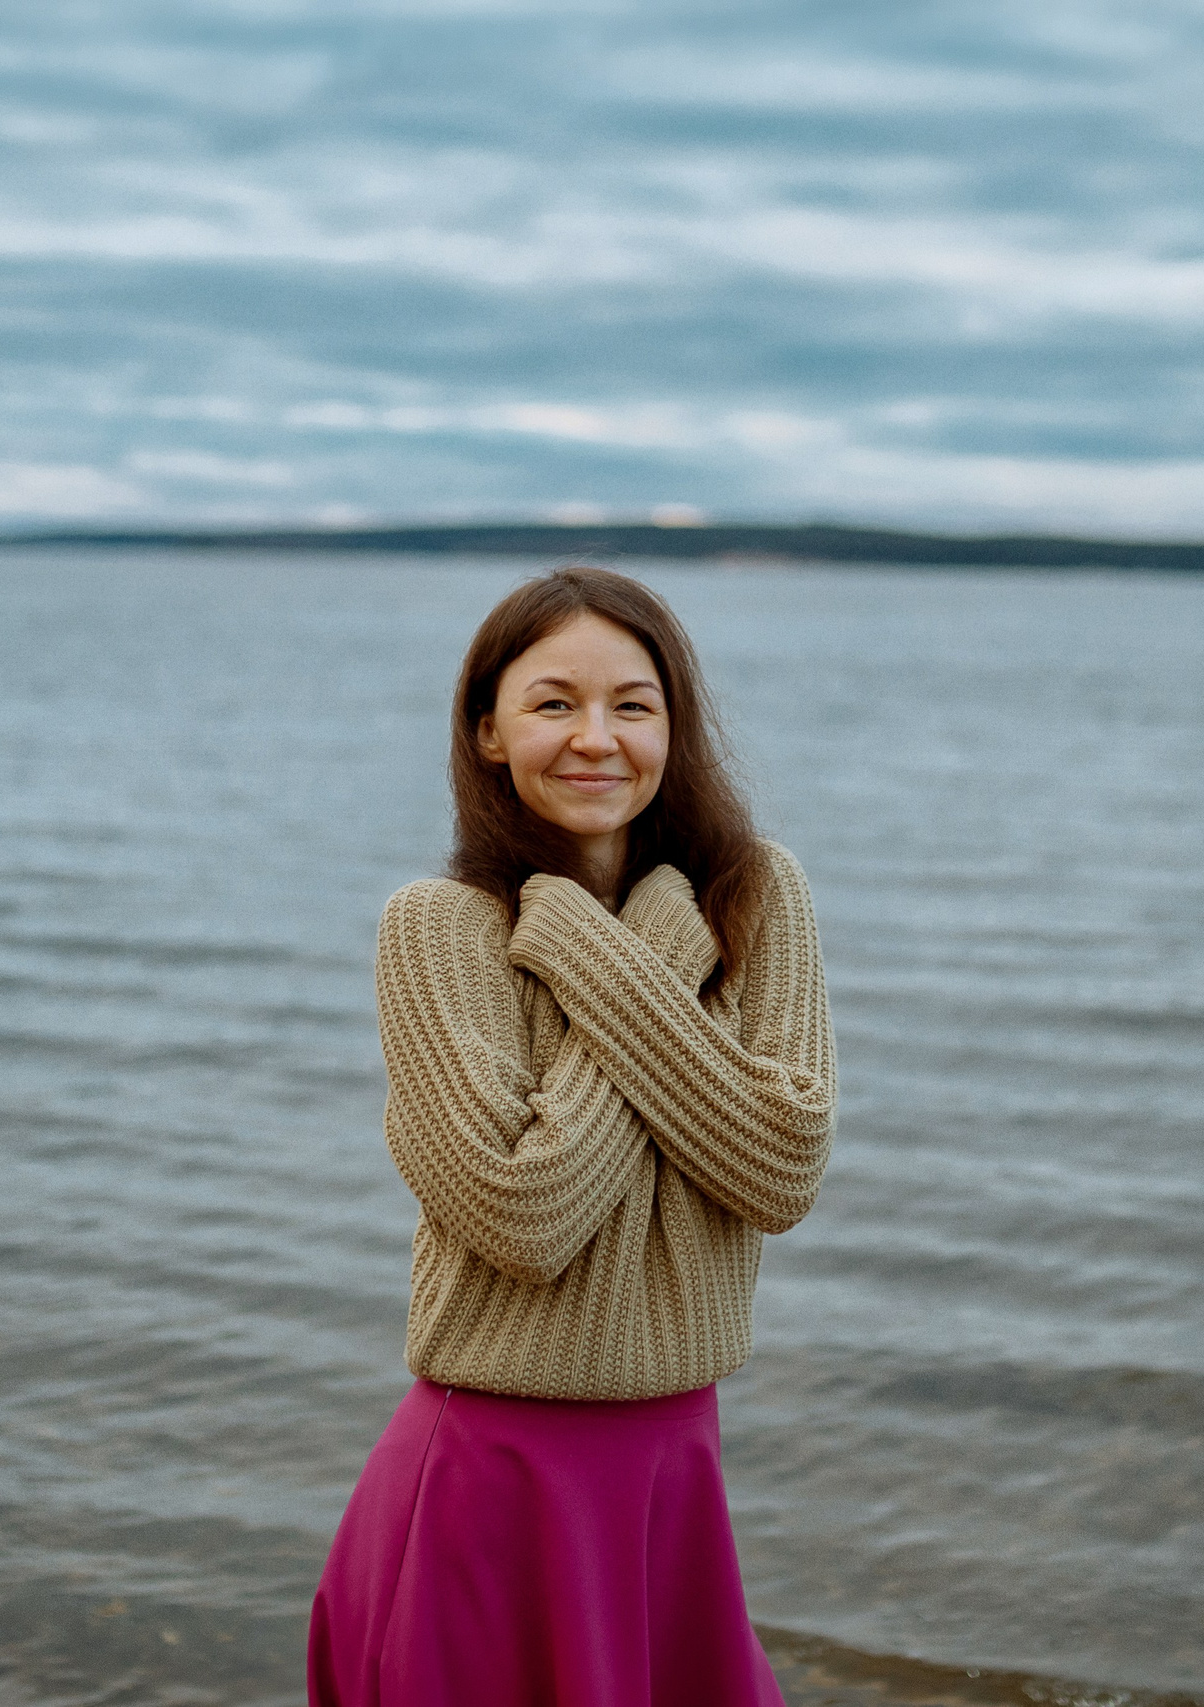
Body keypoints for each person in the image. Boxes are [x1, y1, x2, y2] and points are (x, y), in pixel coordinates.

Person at [307, 565, 835, 1707]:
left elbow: (782, 1166)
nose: (595, 738)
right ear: (489, 730)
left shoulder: (754, 897)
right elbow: (522, 1214)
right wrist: (639, 949)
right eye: (553, 703)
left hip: (673, 1471)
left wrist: (611, 940)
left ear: (674, 726)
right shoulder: (440, 928)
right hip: (489, 1474)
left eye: (632, 705)